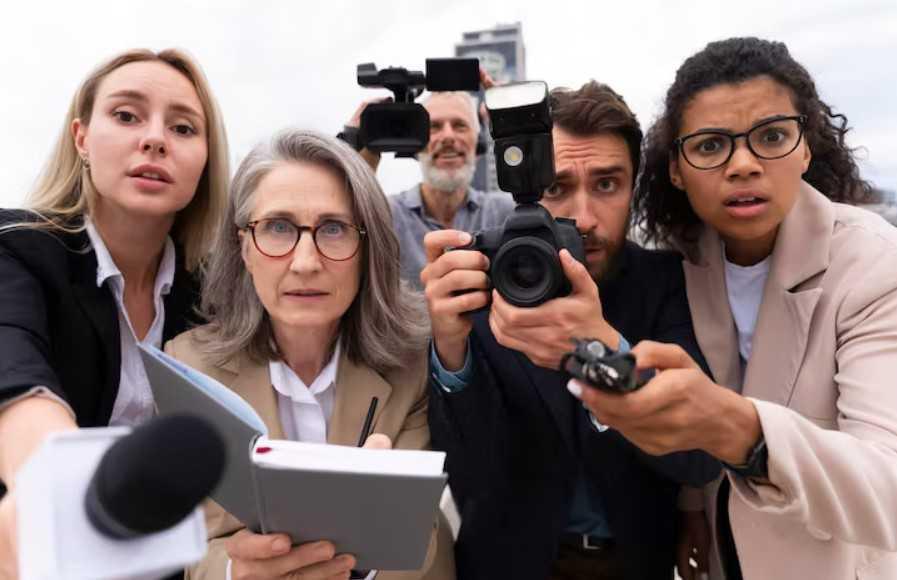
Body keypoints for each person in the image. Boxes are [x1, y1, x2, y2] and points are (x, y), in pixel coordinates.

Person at [567, 37, 897, 580]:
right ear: (675, 167)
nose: (743, 165)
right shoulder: (686, 262)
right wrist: (693, 505)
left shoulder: (871, 267)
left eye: (771, 136)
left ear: (806, 147)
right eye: (711, 145)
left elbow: (885, 488)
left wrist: (736, 429)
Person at [423, 80, 720, 580]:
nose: (584, 217)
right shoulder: (491, 282)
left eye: (607, 184)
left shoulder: (665, 282)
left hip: (633, 561)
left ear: (634, 187)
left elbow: (698, 460)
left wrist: (600, 350)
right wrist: (450, 349)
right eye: (558, 187)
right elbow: (466, 473)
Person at [166, 129, 455, 580]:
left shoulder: (414, 361)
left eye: (333, 229)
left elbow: (422, 542)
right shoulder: (189, 367)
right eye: (278, 227)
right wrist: (233, 572)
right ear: (244, 246)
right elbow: (191, 543)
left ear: (367, 247)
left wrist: (365, 555)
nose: (305, 262)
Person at [0, 48, 229, 579]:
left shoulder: (217, 293)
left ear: (205, 158)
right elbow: (14, 373)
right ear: (82, 138)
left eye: (183, 128)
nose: (154, 139)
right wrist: (59, 496)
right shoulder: (17, 249)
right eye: (126, 116)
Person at [343, 85, 515, 288]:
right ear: (416, 144)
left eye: (460, 125)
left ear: (478, 142)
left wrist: (512, 112)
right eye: (434, 127)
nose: (448, 137)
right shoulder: (385, 216)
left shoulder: (507, 214)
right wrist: (356, 151)